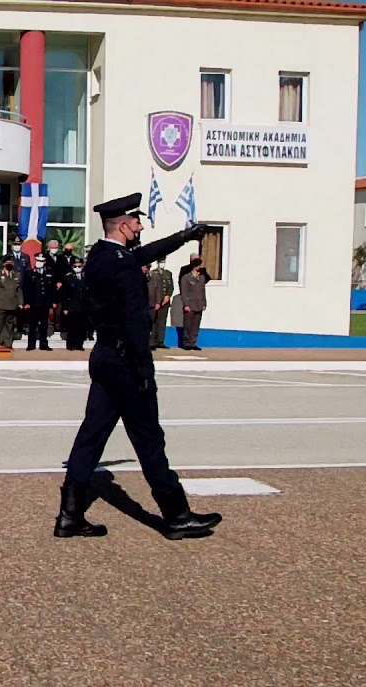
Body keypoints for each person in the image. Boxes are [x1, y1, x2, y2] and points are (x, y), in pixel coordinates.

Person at [54, 192, 220, 541]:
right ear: (125, 225)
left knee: (92, 436)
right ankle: (177, 516)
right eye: (137, 222)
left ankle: (69, 516)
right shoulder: (121, 264)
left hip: (104, 358)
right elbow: (134, 320)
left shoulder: (101, 255)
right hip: (127, 362)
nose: (140, 227)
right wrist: (145, 369)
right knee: (148, 439)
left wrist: (183, 237)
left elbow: (142, 255)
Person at [23, 252, 57, 351]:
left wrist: (53, 302)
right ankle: (31, 344)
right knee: (32, 325)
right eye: (38, 260)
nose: (39, 263)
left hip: (45, 303)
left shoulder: (49, 272)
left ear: (45, 262)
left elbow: (52, 289)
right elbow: (26, 289)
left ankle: (43, 344)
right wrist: (27, 302)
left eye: (41, 261)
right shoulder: (29, 273)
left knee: (44, 325)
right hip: (33, 303)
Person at [0, 259, 22, 347]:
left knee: (9, 326)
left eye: (11, 262)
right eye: (7, 262)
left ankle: (7, 343)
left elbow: (19, 290)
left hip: (12, 304)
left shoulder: (16, 275)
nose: (9, 264)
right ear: (3, 264)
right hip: (0, 304)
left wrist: (20, 302)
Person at [179, 257, 208, 351]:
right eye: (199, 265)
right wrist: (186, 304)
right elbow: (184, 292)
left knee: (196, 325)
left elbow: (203, 292)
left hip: (199, 304)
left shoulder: (201, 278)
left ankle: (193, 343)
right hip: (190, 305)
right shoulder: (186, 278)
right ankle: (186, 343)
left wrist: (204, 303)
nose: (200, 267)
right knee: (188, 325)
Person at [62, 257, 89, 350]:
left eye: (79, 266)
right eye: (75, 266)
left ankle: (79, 344)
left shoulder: (86, 277)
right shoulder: (69, 277)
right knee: (72, 327)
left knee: (81, 327)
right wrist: (65, 307)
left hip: (83, 306)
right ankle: (71, 344)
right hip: (72, 306)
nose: (77, 267)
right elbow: (65, 294)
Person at [148, 260, 173, 349]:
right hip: (155, 301)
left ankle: (160, 341)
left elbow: (171, 286)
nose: (162, 264)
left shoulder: (168, 273)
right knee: (154, 322)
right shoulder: (153, 273)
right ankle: (152, 341)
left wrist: (168, 295)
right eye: (161, 262)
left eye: (164, 262)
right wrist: (158, 300)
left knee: (162, 322)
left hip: (165, 302)